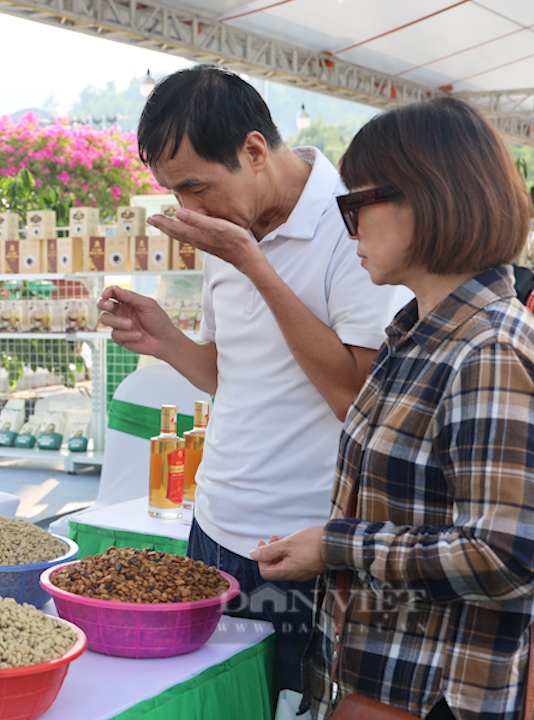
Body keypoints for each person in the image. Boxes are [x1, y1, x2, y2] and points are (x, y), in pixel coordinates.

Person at [250, 97, 534, 720]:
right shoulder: (420, 334)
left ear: (427, 197)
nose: (350, 231)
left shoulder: (489, 350)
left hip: (436, 695)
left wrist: (338, 546)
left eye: (356, 206)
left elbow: (504, 556)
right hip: (389, 680)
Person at [97, 64, 407, 709]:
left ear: (254, 151)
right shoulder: (226, 237)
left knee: (296, 702)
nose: (189, 211)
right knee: (223, 701)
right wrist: (165, 341)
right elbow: (231, 375)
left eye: (195, 187)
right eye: (174, 194)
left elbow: (358, 400)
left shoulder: (354, 226)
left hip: (307, 544)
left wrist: (253, 264)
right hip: (213, 525)